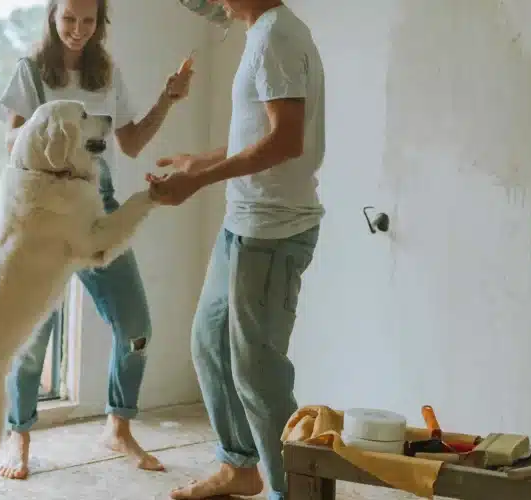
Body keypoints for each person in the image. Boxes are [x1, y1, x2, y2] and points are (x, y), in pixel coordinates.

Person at [0, 0, 193, 481]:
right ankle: (18, 436)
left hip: (97, 208)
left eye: (87, 21)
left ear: (100, 21)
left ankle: (118, 428)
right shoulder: (31, 72)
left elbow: (131, 143)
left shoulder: (107, 73)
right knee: (31, 335)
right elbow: (12, 145)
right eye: (68, 19)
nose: (77, 30)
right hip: (44, 213)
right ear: (52, 17)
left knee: (136, 327)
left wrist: (168, 99)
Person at [148, 1, 325, 499]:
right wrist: (198, 161)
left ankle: (292, 491)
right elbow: (263, 135)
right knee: (210, 343)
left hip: (272, 232)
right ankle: (239, 466)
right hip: (243, 224)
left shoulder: (276, 38)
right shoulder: (265, 33)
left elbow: (287, 141)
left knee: (259, 373)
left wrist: (198, 180)